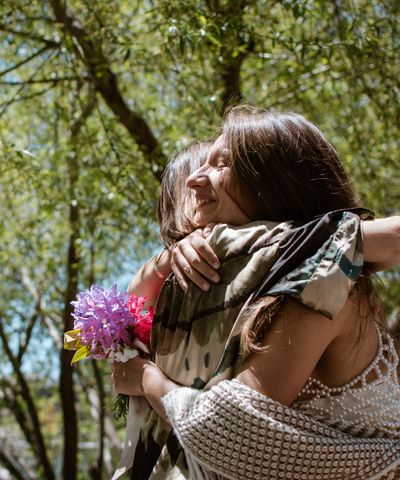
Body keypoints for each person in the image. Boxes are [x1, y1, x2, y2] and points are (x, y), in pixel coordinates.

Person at [111, 106, 400, 479]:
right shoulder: (232, 285)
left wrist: (146, 379)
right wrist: (168, 259)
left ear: (274, 181)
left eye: (222, 164)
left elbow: (232, 430)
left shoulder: (323, 273)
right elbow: (134, 308)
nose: (193, 182)